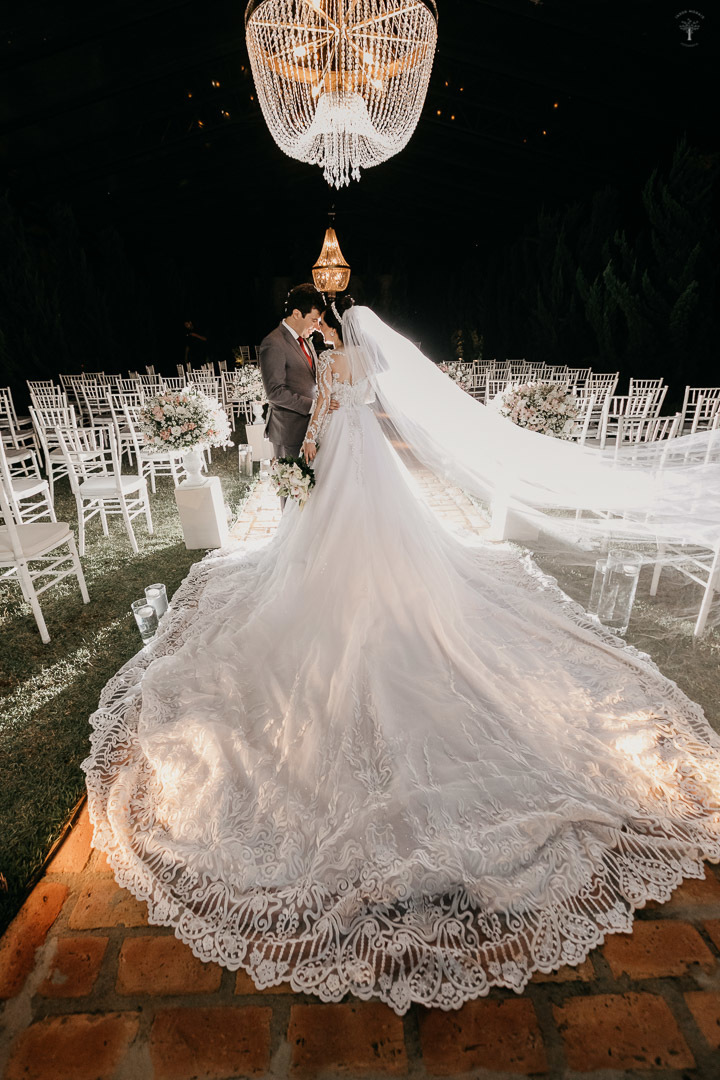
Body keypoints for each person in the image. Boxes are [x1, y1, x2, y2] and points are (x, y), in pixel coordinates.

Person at [83, 297, 720, 1015]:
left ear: (331, 325)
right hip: (375, 469)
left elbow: (321, 417)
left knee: (327, 554)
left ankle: (346, 596)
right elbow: (371, 410)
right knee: (387, 548)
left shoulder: (326, 361)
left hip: (341, 462)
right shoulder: (361, 360)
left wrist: (310, 458)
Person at [258, 284, 339, 479]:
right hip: (289, 432)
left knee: (309, 493)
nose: (316, 327)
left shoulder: (306, 341)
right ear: (296, 314)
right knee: (292, 493)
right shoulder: (273, 343)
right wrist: (316, 406)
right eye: (313, 320)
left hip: (310, 429)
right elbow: (275, 392)